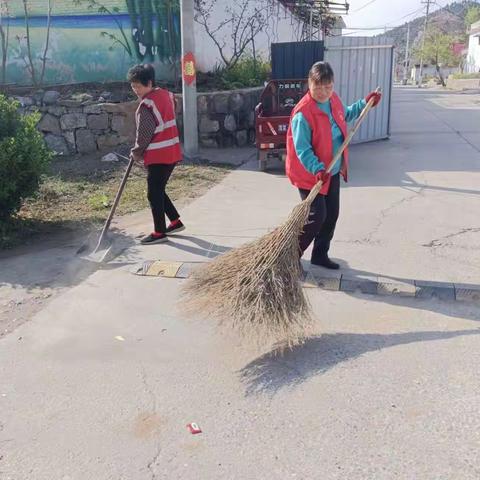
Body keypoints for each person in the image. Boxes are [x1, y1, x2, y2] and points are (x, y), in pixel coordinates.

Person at [285, 61, 382, 269]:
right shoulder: (303, 113)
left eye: (328, 87)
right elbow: (302, 149)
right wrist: (317, 168)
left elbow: (345, 114)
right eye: (317, 87)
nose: (323, 92)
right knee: (316, 217)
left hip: (332, 171)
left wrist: (365, 103)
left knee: (332, 214)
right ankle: (292, 258)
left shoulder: (333, 100)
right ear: (309, 84)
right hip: (311, 174)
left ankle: (320, 255)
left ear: (333, 85)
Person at [128, 63, 185, 245]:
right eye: (133, 85)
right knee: (158, 189)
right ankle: (175, 222)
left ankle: (159, 232)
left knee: (153, 193)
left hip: (159, 154)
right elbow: (171, 111)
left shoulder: (146, 106)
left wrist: (136, 152)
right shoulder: (167, 95)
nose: (135, 89)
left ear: (149, 82)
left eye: (138, 86)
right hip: (173, 151)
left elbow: (144, 135)